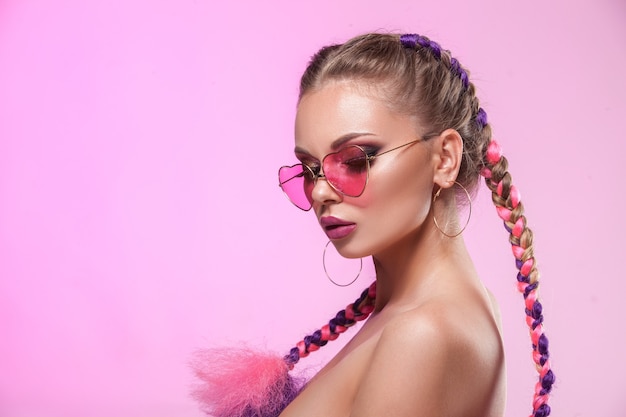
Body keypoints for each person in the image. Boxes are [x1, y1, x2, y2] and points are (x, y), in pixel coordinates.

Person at [192, 32, 555, 417]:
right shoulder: (429, 311)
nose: (319, 192)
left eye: (354, 160)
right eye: (311, 169)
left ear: (445, 158)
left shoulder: (423, 333)